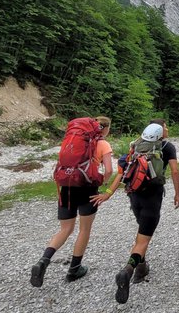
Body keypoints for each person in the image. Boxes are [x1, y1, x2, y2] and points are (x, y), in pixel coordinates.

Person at [29, 115, 122, 286]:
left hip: (67, 187)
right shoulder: (103, 144)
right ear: (106, 129)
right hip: (88, 188)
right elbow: (109, 170)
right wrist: (103, 183)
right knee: (84, 230)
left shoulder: (74, 140)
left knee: (65, 229)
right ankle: (74, 268)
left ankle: (43, 260)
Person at [114, 118, 179, 304]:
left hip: (134, 196)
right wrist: (177, 194)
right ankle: (128, 271)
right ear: (160, 131)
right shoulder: (167, 147)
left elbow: (123, 166)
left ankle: (142, 268)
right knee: (143, 239)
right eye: (165, 127)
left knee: (141, 233)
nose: (167, 129)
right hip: (152, 198)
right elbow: (175, 171)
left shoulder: (136, 145)